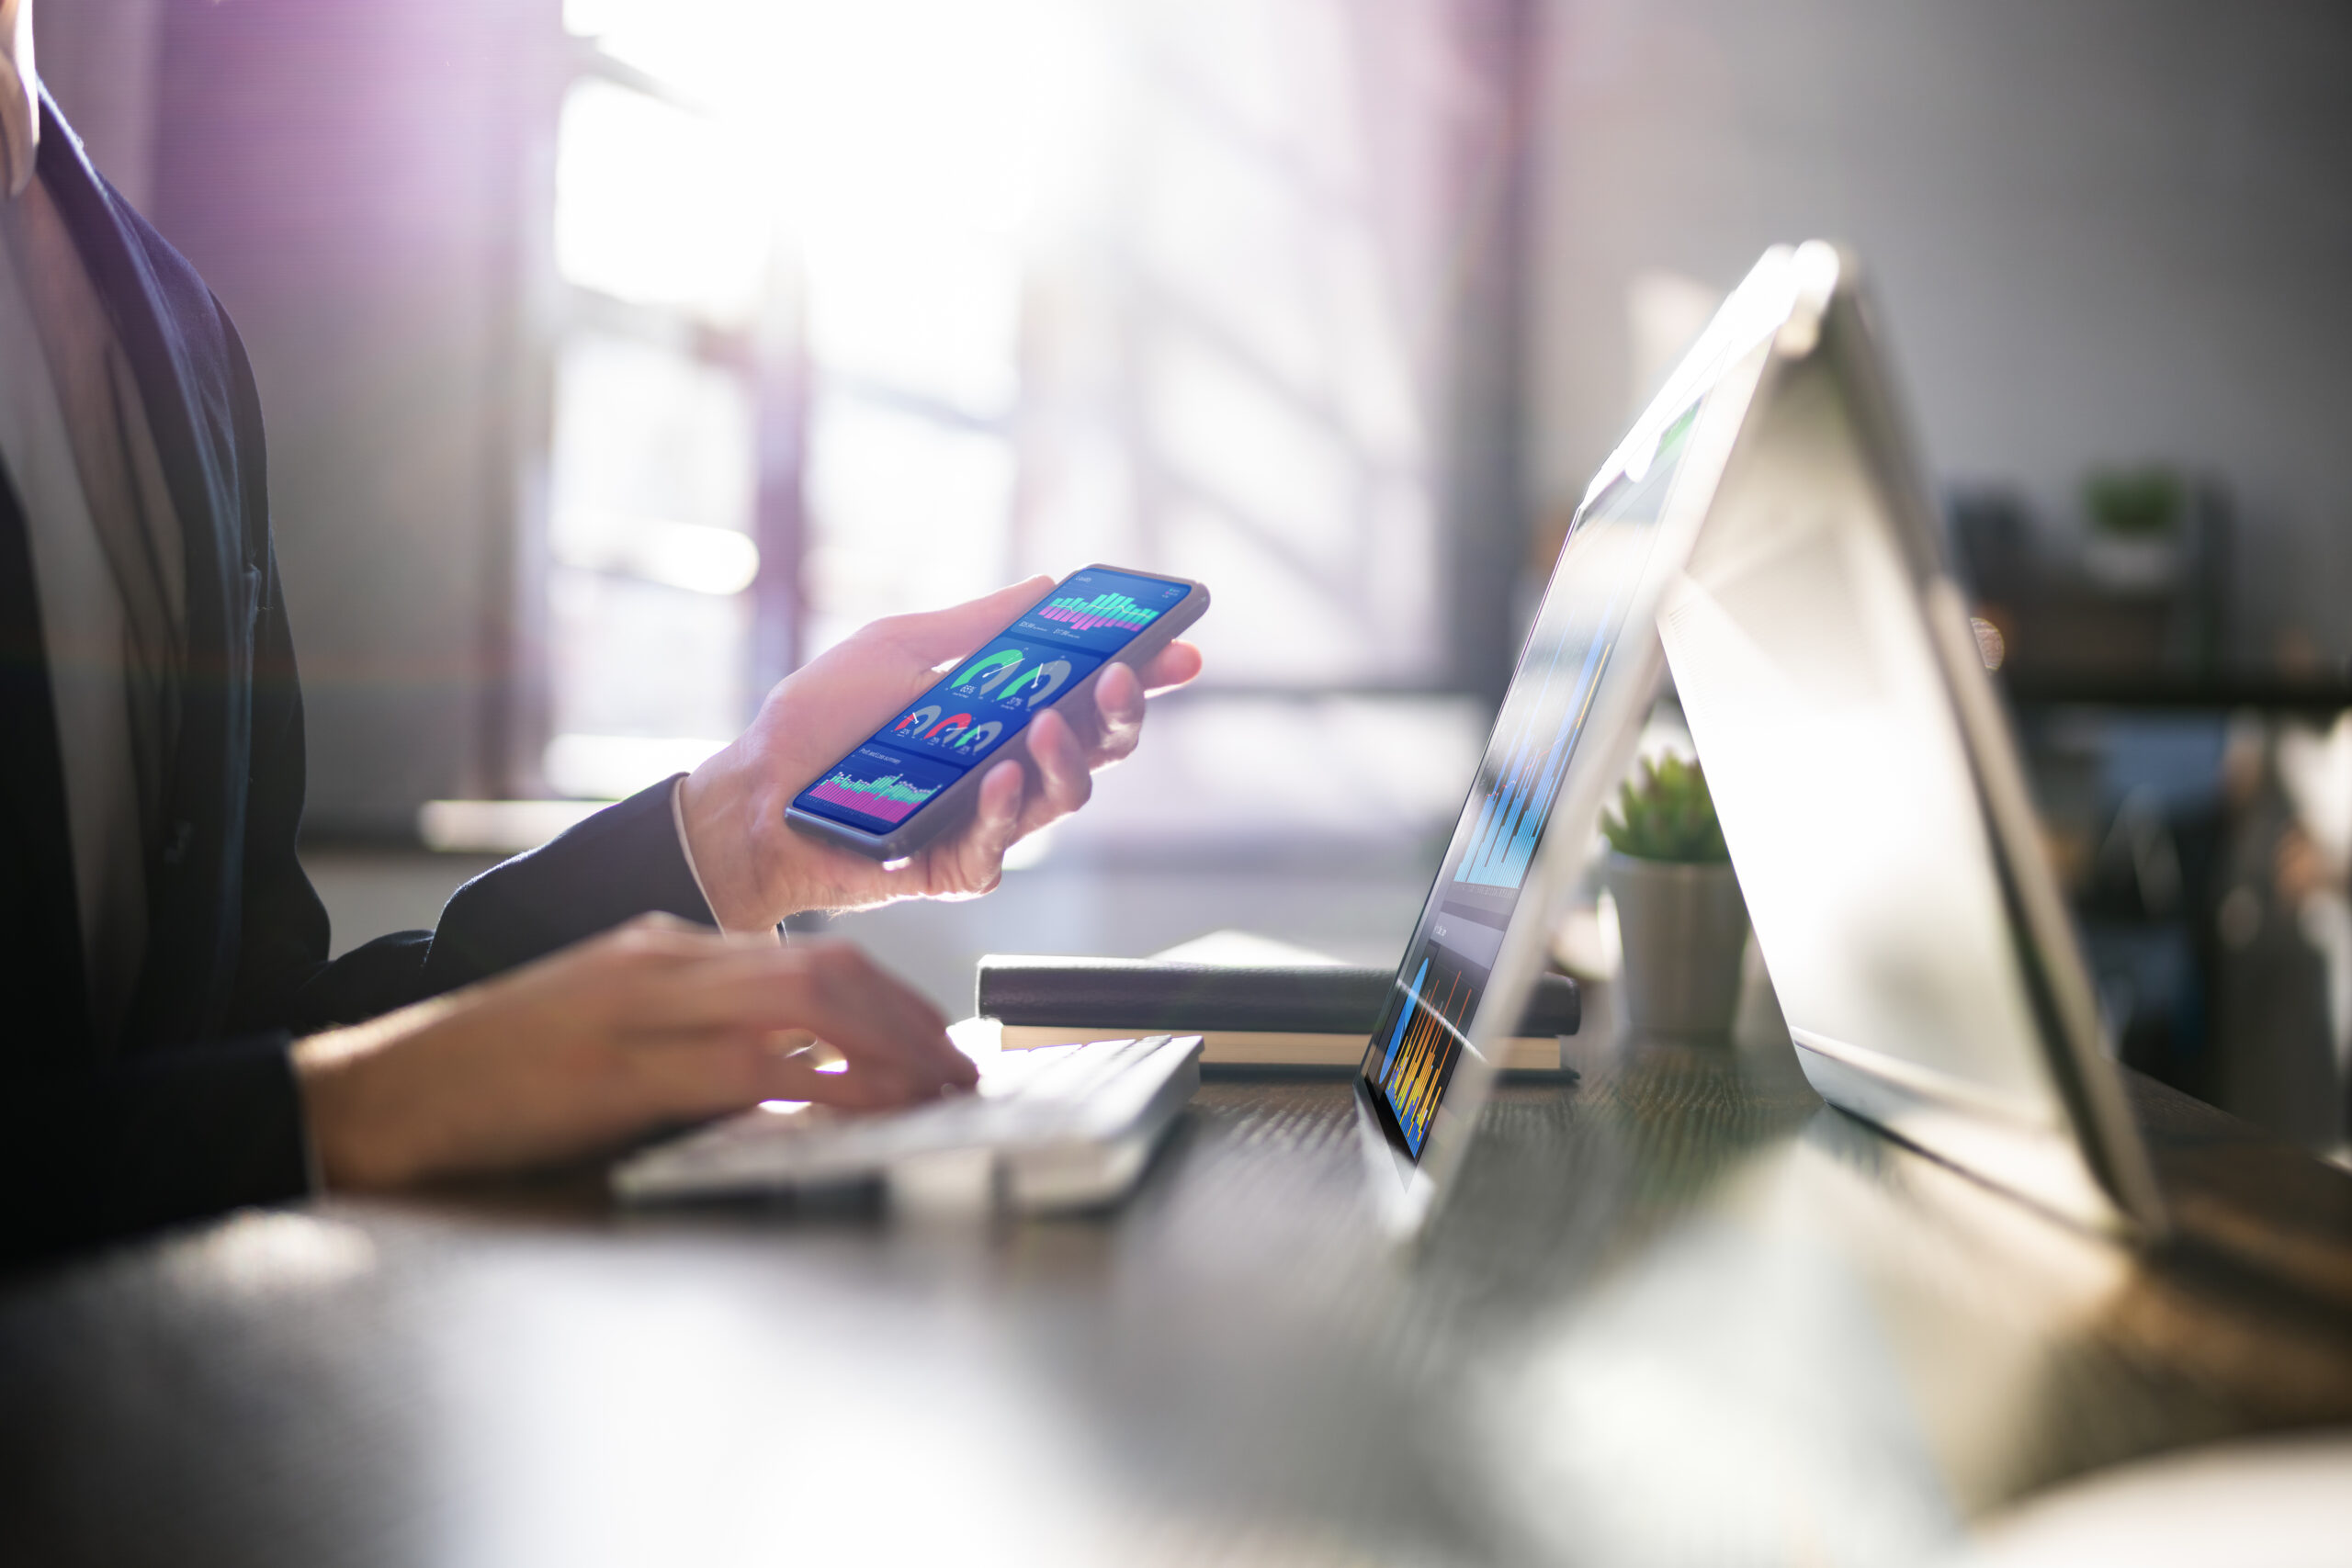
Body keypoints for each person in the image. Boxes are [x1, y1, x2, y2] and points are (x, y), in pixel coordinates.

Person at [0, 6, 1201, 1259]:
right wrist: (356, 1105)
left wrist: (748, 826)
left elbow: (249, 1062)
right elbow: (309, 1106)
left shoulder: (166, 323)